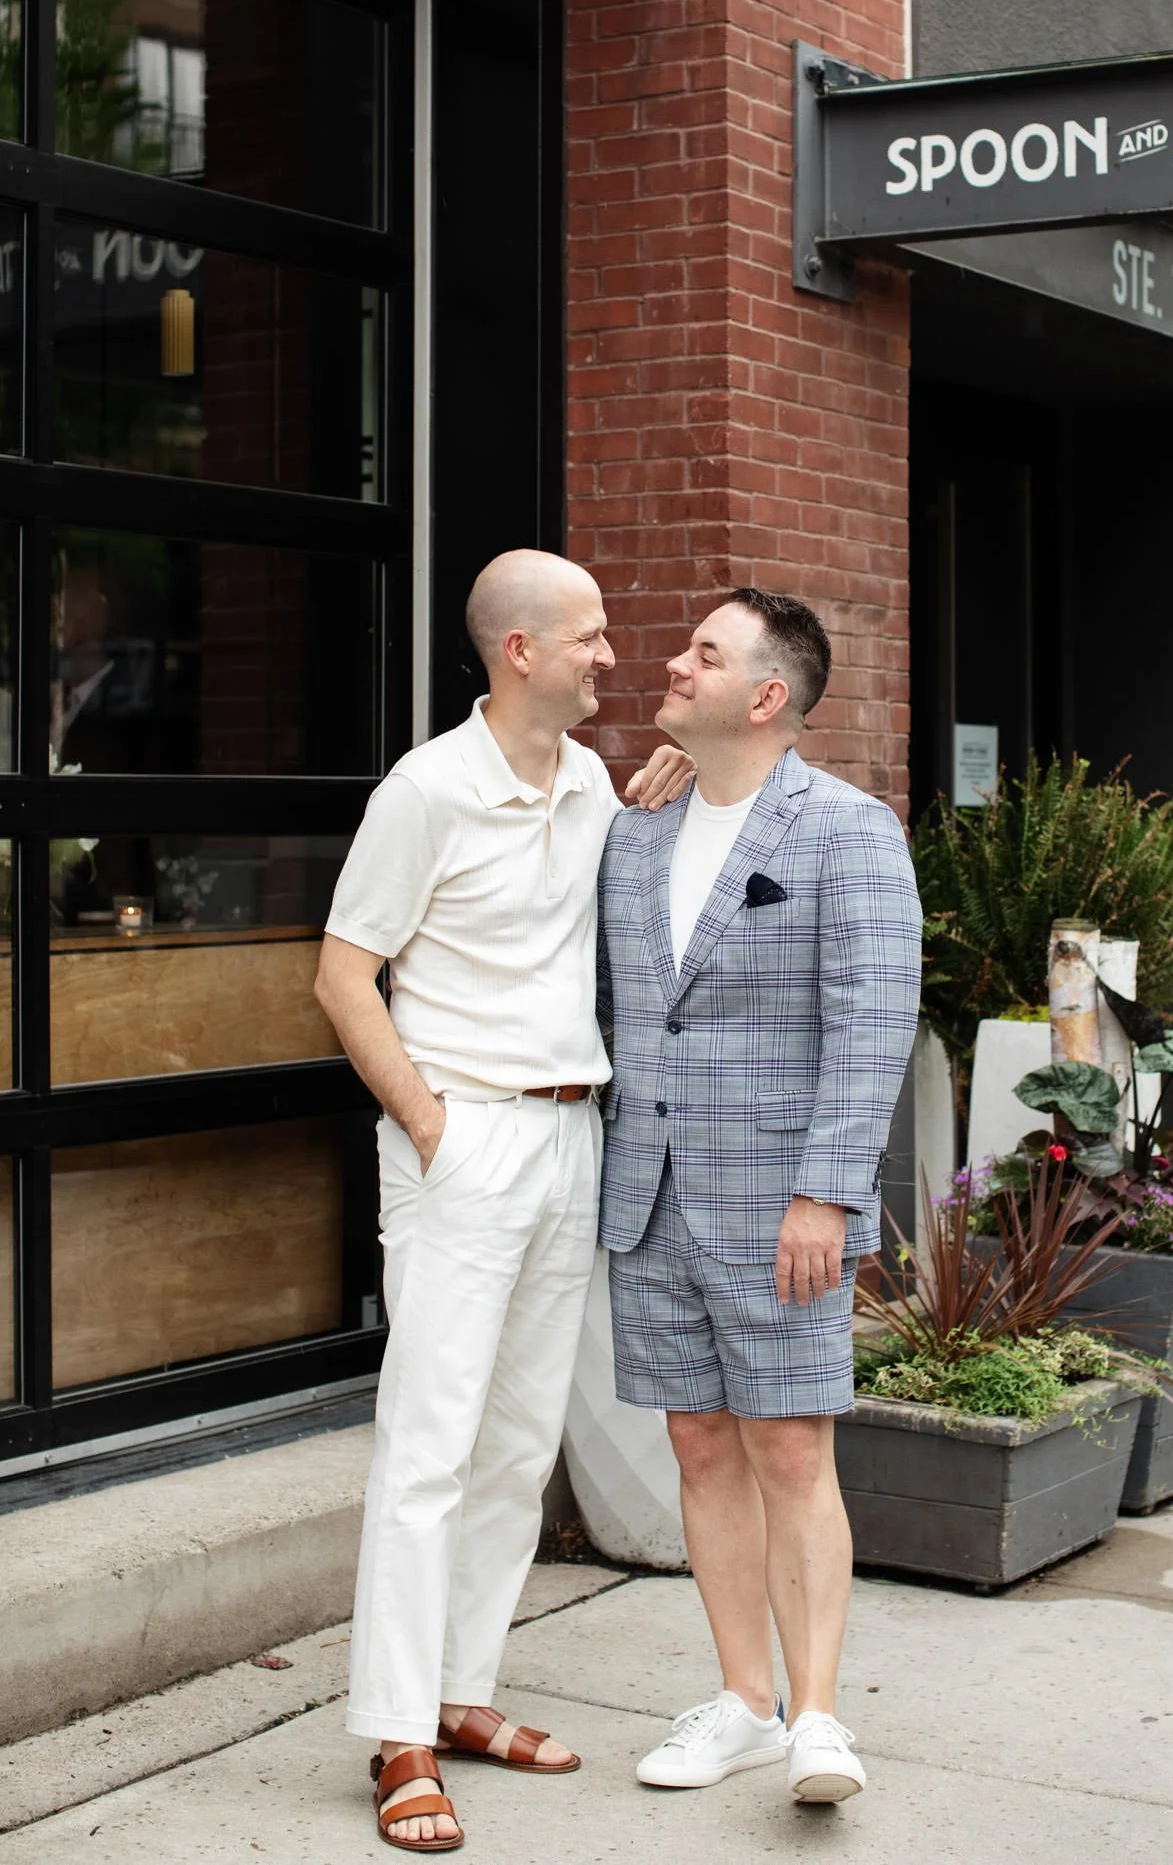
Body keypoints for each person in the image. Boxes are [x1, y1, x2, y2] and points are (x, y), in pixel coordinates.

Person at [315, 549, 689, 1854]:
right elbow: (344, 974)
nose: (611, 656)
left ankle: (462, 1694)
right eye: (590, 636)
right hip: (465, 1137)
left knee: (520, 1444)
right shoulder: (425, 789)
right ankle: (397, 1734)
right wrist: (431, 1126)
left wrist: (667, 793)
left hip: (570, 1130)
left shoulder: (588, 784)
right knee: (429, 1446)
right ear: (519, 650)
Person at [596, 587, 921, 1809]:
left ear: (766, 695)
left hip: (781, 1204)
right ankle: (743, 1701)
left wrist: (828, 1195)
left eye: (705, 654)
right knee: (696, 1441)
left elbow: (873, 1020)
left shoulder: (848, 830)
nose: (675, 665)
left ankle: (819, 1717)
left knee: (790, 1446)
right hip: (652, 1192)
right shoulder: (635, 832)